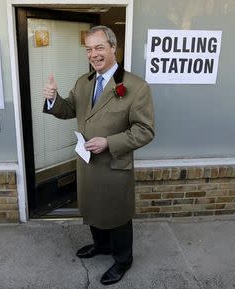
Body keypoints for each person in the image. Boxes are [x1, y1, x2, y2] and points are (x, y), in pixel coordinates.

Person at [42, 25, 155, 285]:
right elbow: (69, 108)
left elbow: (145, 131)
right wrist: (53, 99)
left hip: (115, 164)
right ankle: (101, 246)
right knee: (93, 208)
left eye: (99, 47)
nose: (94, 54)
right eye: (89, 49)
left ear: (114, 48)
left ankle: (123, 260)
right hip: (88, 163)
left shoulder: (135, 87)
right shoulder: (85, 82)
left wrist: (109, 142)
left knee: (117, 215)